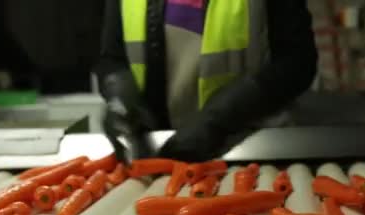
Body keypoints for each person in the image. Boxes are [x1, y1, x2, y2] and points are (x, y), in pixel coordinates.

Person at [97, 0, 317, 162]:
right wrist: (120, 97)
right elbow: (112, 60)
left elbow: (297, 62)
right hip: (162, 158)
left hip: (251, 152)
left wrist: (220, 117)